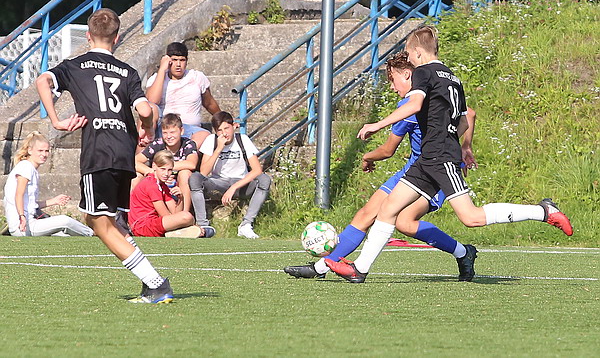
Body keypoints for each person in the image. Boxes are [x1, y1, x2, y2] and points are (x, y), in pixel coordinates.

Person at [327, 25, 573, 283]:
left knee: (471, 217)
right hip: (429, 157)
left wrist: (378, 124)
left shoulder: (424, 72)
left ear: (418, 52)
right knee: (389, 209)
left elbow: (415, 104)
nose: (409, 60)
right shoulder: (452, 77)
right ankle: (360, 269)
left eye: (409, 55)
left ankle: (543, 211)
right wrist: (458, 143)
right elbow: (464, 119)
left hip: (441, 158)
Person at [284, 52, 478, 282]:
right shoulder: (429, 95)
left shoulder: (411, 107)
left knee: (406, 222)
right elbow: (470, 114)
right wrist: (465, 145)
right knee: (366, 214)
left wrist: (367, 157)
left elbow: (387, 150)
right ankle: (321, 267)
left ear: (408, 75)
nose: (393, 88)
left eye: (393, 80)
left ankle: (463, 253)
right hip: (412, 169)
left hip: (434, 171)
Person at [36, 8, 173, 303]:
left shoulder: (75, 66)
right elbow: (145, 109)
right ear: (117, 37)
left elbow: (42, 81)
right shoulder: (128, 71)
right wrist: (148, 130)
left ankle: (156, 283)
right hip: (124, 152)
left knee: (97, 222)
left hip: (99, 151)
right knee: (108, 220)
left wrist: (56, 120)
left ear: (88, 36)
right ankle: (150, 281)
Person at [189, 111, 272, 239]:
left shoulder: (242, 139)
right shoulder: (211, 140)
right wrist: (218, 149)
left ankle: (246, 224)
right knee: (195, 178)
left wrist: (233, 187)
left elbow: (257, 170)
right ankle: (203, 225)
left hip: (241, 184)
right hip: (218, 183)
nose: (224, 133)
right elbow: (204, 172)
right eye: (220, 130)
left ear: (233, 126)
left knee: (264, 179)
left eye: (227, 128)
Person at [3, 131, 94, 237]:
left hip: (29, 224)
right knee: (65, 221)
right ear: (30, 150)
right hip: (24, 226)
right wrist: (21, 216)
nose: (44, 154)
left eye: (46, 151)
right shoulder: (26, 167)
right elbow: (18, 194)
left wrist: (54, 201)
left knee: (65, 235)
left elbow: (30, 204)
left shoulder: (30, 169)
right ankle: (95, 233)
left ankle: (91, 235)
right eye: (40, 150)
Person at [145, 41, 221, 148]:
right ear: (167, 60)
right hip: (164, 128)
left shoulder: (197, 77)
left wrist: (223, 120)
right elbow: (151, 102)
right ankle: (141, 156)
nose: (178, 65)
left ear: (186, 61)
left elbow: (209, 103)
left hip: (190, 129)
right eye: (174, 60)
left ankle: (183, 154)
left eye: (182, 60)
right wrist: (162, 70)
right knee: (150, 109)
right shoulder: (157, 78)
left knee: (206, 136)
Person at [129, 150, 215, 238]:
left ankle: (180, 231)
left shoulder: (163, 185)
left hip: (153, 223)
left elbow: (175, 212)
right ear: (154, 166)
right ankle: (183, 230)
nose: (166, 174)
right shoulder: (151, 184)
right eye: (162, 169)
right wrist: (183, 221)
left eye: (170, 170)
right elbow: (165, 215)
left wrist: (180, 198)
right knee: (186, 216)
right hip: (142, 226)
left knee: (185, 216)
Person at [134, 113, 198, 212]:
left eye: (172, 132)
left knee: (185, 173)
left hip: (178, 184)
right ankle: (131, 212)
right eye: (165, 133)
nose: (169, 136)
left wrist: (167, 169)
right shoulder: (157, 144)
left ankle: (184, 213)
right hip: (157, 182)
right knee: (136, 176)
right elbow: (135, 162)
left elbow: (192, 164)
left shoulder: (188, 144)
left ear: (181, 131)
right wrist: (154, 172)